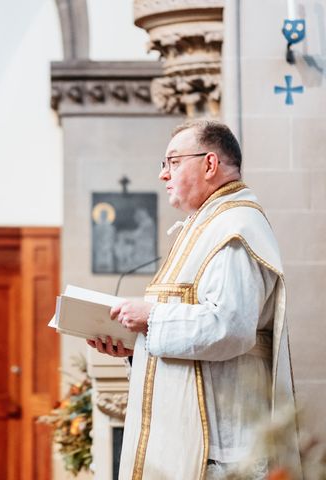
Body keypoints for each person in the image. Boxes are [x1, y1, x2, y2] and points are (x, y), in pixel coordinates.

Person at [87, 120, 301, 479]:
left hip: (220, 445)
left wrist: (151, 319)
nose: (163, 174)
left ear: (210, 164)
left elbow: (230, 327)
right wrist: (136, 344)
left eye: (172, 162)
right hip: (202, 440)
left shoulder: (235, 228)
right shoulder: (205, 225)